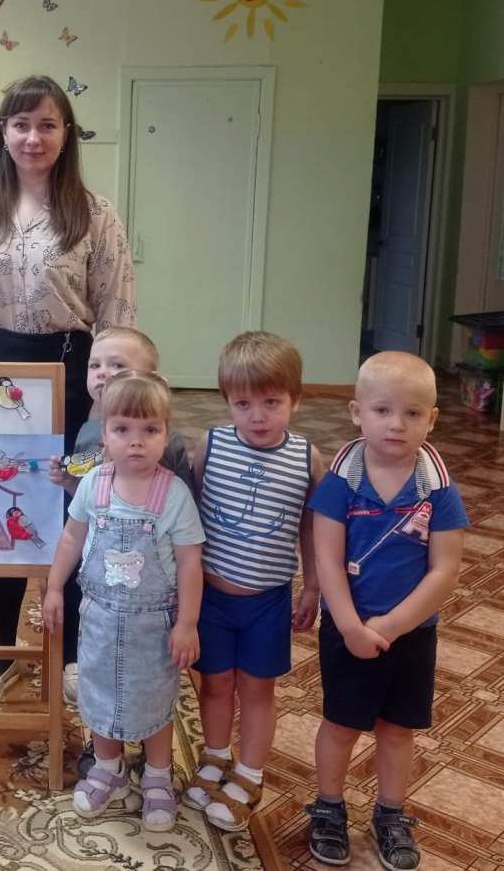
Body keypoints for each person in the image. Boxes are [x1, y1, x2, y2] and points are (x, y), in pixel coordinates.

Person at [0, 74, 136, 711]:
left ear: (66, 134)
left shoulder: (95, 214)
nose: (33, 137)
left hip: (73, 379)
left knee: (75, 505)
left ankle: (72, 652)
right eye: (21, 124)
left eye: (47, 124)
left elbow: (116, 311)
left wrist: (115, 394)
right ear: (3, 133)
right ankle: (0, 653)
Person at [305, 351, 468, 871]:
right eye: (382, 410)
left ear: (431, 419)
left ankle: (391, 813)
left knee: (397, 729)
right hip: (347, 629)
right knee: (341, 724)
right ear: (357, 413)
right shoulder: (340, 483)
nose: (397, 424)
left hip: (412, 634)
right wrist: (351, 626)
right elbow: (327, 561)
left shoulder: (438, 487)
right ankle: (329, 807)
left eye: (412, 413)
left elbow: (445, 570)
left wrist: (392, 626)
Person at [42, 372, 204, 832]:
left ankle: (157, 777)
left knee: (155, 700)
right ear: (104, 435)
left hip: (154, 626)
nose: (136, 441)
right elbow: (71, 537)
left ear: (166, 434)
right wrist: (54, 587)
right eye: (122, 429)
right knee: (98, 694)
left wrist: (187, 623)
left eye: (150, 430)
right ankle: (108, 769)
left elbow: (190, 562)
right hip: (97, 617)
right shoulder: (93, 484)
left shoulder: (174, 494)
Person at [183, 331, 323, 832]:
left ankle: (250, 773)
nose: (257, 416)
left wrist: (313, 586)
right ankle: (216, 757)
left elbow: (312, 526)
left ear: (295, 400)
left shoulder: (307, 459)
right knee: (216, 683)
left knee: (258, 689)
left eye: (271, 403)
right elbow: (189, 515)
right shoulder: (211, 445)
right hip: (212, 597)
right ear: (227, 401)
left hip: (268, 601)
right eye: (243, 404)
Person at [49, 325, 192, 708]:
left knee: (149, 665)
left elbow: (183, 512)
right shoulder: (87, 431)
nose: (102, 374)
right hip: (103, 572)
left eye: (117, 365)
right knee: (102, 648)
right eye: (95, 365)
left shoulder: (167, 444)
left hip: (154, 577)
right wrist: (69, 482)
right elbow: (91, 501)